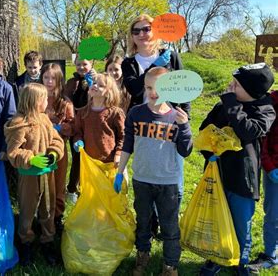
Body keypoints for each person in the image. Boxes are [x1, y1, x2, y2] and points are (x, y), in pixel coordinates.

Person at [114, 66, 192, 276]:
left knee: (170, 226)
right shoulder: (136, 113)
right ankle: (142, 256)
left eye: (159, 88)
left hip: (168, 182)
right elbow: (128, 144)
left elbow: (186, 151)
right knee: (143, 221)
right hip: (142, 179)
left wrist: (184, 127)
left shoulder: (177, 117)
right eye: (149, 87)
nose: (153, 93)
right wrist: (120, 172)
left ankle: (170, 265)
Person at [199, 63, 275, 276]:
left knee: (241, 223)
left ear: (252, 91)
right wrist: (208, 153)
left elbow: (247, 130)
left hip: (243, 178)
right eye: (231, 83)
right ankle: (215, 258)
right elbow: (204, 129)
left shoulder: (265, 110)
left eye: (236, 85)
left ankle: (240, 261)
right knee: (216, 219)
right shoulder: (223, 105)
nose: (230, 88)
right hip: (218, 171)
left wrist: (231, 104)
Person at [122, 14, 190, 237]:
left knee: (172, 172)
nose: (142, 34)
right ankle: (148, 226)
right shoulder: (129, 63)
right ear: (132, 36)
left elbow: (183, 87)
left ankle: (167, 221)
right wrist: (154, 66)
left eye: (146, 29)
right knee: (147, 172)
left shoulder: (171, 56)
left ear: (156, 31)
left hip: (169, 121)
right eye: (136, 31)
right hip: (143, 122)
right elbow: (134, 89)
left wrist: (184, 119)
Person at [4, 83, 64, 266]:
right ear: (35, 101)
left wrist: (53, 153)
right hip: (28, 175)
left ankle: (48, 240)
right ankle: (26, 242)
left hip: (47, 174)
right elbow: (13, 152)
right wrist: (30, 159)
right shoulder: (19, 123)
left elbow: (56, 139)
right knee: (28, 209)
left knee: (48, 207)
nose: (47, 101)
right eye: (44, 98)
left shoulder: (45, 119)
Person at [41, 63, 74, 234]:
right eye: (46, 77)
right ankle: (42, 217)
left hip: (59, 149)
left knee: (58, 183)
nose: (49, 81)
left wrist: (60, 128)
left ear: (59, 80)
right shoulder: (37, 99)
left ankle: (57, 216)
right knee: (43, 184)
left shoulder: (64, 102)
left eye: (53, 78)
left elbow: (72, 125)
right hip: (39, 148)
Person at [249, 89, 278, 272]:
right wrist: (269, 166)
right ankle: (271, 255)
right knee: (274, 215)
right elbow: (263, 137)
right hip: (275, 168)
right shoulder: (272, 101)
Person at [72, 73, 125, 164]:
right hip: (89, 162)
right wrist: (78, 141)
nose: (95, 85)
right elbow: (78, 132)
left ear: (109, 92)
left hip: (110, 162)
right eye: (94, 83)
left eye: (101, 85)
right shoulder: (82, 112)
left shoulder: (115, 113)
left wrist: (118, 154)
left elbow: (123, 136)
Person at [64, 56, 95, 203]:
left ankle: (88, 187)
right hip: (76, 126)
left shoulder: (96, 80)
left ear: (92, 64)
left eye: (85, 64)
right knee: (77, 158)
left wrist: (92, 86)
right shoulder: (71, 82)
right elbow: (67, 100)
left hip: (92, 126)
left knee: (91, 157)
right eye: (78, 65)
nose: (81, 67)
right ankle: (72, 188)